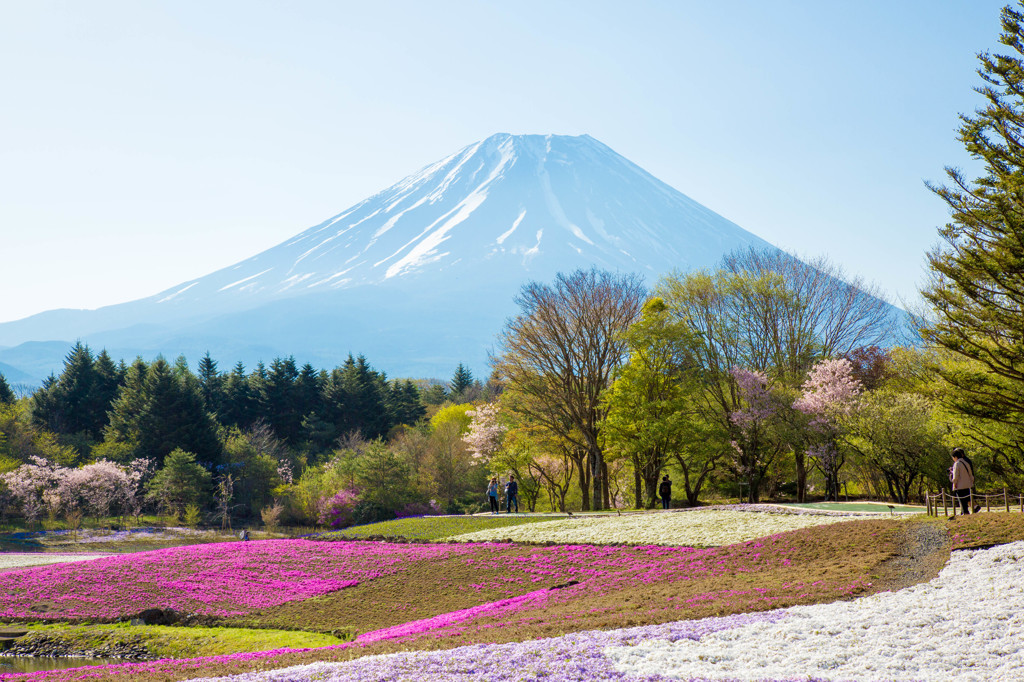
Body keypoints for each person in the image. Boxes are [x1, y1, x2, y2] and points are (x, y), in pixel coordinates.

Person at [950, 447, 978, 518]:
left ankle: (965, 513)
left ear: (955, 457)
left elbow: (956, 476)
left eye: (953, 457)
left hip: (959, 485)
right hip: (967, 484)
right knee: (967, 499)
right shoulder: (966, 462)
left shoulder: (957, 464)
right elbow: (970, 474)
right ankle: (966, 512)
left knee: (962, 500)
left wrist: (953, 481)